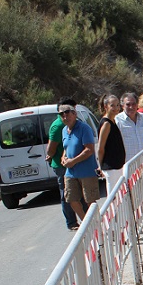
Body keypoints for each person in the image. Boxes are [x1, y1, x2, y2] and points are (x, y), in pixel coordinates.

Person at [60, 101, 100, 223]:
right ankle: (86, 224)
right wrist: (63, 158)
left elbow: (89, 150)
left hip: (86, 171)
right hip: (71, 172)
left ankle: (97, 224)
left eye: (67, 113)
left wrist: (73, 161)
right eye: (62, 115)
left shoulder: (84, 128)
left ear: (74, 114)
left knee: (90, 200)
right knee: (71, 198)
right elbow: (66, 147)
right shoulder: (64, 130)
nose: (65, 117)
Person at [45, 97, 80, 230]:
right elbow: (51, 148)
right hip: (62, 166)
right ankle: (71, 222)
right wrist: (52, 156)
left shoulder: (74, 123)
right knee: (67, 194)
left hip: (74, 163)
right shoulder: (58, 126)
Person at [115, 92, 143, 161]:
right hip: (128, 164)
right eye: (128, 104)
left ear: (137, 105)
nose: (131, 107)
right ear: (122, 106)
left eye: (134, 104)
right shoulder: (117, 120)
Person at [96, 94, 126, 194]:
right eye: (112, 105)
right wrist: (100, 166)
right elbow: (101, 148)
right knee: (113, 196)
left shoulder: (113, 121)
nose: (116, 108)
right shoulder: (106, 123)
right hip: (111, 167)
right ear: (106, 106)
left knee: (120, 194)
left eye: (117, 105)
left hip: (118, 165)